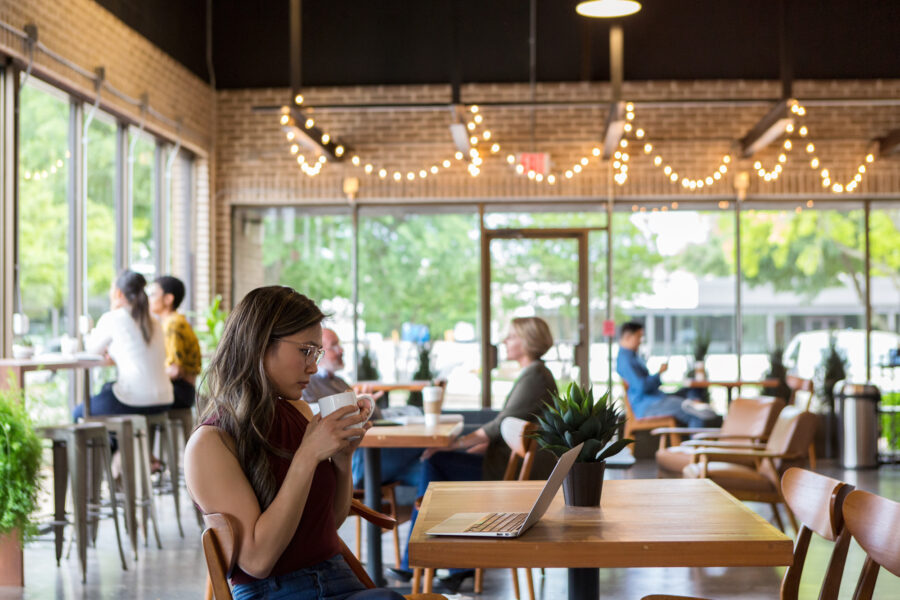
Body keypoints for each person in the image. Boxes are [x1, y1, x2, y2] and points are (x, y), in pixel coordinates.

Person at [184, 286, 403, 600]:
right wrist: (307, 456)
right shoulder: (211, 443)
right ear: (261, 343)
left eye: (316, 354)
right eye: (305, 351)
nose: (313, 367)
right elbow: (257, 561)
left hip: (341, 579)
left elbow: (328, 522)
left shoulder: (298, 412)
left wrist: (343, 460)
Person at [389, 316, 558, 590]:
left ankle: (424, 561)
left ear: (528, 341)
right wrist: (472, 445)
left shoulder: (536, 375)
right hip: (506, 464)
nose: (505, 341)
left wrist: (455, 443)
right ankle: (443, 564)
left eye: (512, 336)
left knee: (436, 460)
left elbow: (498, 426)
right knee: (437, 464)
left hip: (508, 473)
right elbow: (503, 427)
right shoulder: (535, 373)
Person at [301, 328, 423, 489]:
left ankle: (418, 512)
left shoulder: (338, 382)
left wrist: (366, 404)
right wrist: (356, 406)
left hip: (364, 456)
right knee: (423, 449)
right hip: (355, 461)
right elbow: (311, 417)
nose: (341, 350)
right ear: (317, 352)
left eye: (340, 344)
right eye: (334, 346)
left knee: (427, 467)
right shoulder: (306, 384)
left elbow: (374, 417)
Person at [73, 270, 173, 420]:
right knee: (107, 388)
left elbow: (92, 350)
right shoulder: (155, 321)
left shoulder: (113, 318)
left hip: (136, 399)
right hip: (165, 398)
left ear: (119, 293)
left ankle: (112, 443)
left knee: (78, 413)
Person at [616, 321, 721, 428]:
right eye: (639, 337)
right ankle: (695, 437)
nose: (640, 341)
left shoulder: (633, 356)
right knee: (692, 412)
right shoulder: (626, 359)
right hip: (647, 405)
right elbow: (642, 387)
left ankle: (693, 404)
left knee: (691, 392)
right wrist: (658, 374)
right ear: (628, 336)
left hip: (655, 398)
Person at [148, 275, 202, 409]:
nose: (149, 299)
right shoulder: (177, 321)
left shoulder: (172, 324)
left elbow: (175, 370)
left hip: (179, 391)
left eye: (153, 294)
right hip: (187, 391)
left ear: (168, 298)